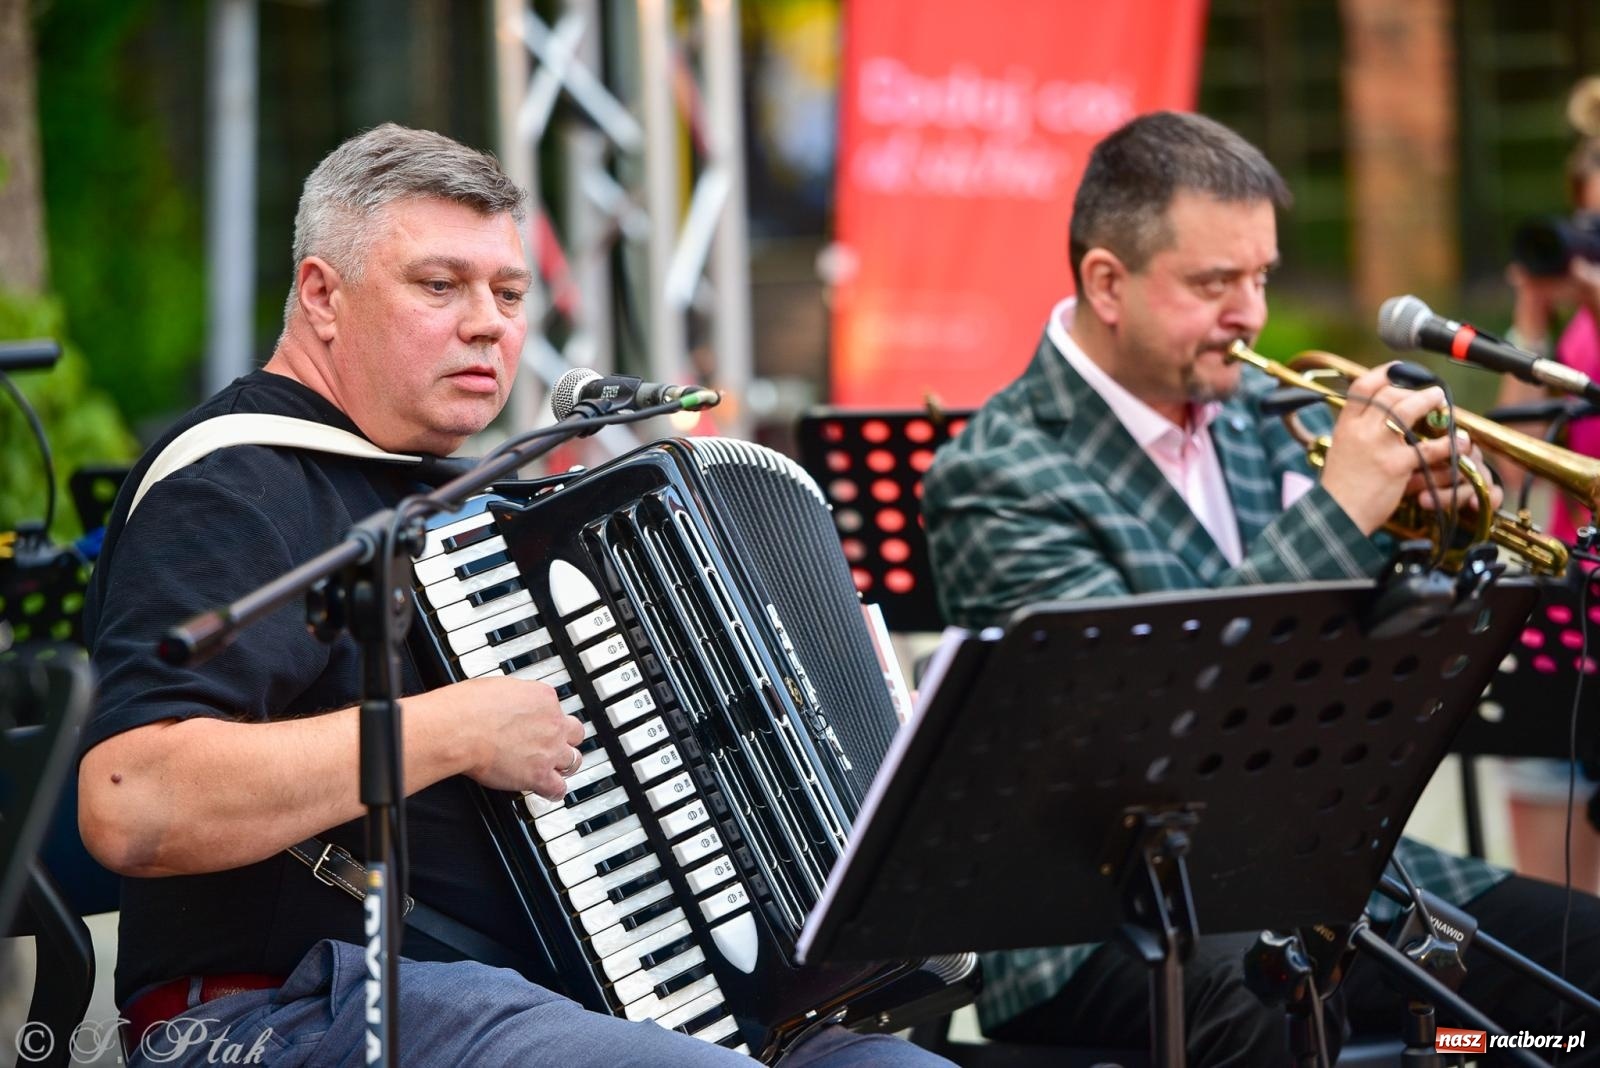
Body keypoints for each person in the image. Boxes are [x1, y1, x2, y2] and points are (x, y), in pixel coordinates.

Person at [77, 124, 952, 1068]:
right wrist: (454, 729)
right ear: (323, 296)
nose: (488, 322)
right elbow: (133, 801)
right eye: (440, 284)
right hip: (283, 1010)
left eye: (509, 293)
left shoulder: (477, 503)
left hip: (550, 1000)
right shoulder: (235, 484)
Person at [924, 110, 1600, 1066]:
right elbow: (1141, 731)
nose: (1251, 314)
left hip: (1317, 877)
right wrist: (1340, 513)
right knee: (1269, 1004)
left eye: (1261, 278)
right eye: (1214, 283)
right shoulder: (999, 475)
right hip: (1107, 923)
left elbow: (1346, 661)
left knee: (1582, 977)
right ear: (1107, 283)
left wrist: (1436, 539)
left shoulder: (1246, 419)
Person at [1493, 76, 1600, 896]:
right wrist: (1530, 321)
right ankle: (1561, 1026)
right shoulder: (1574, 326)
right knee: (1554, 895)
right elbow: (1509, 464)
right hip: (1570, 608)